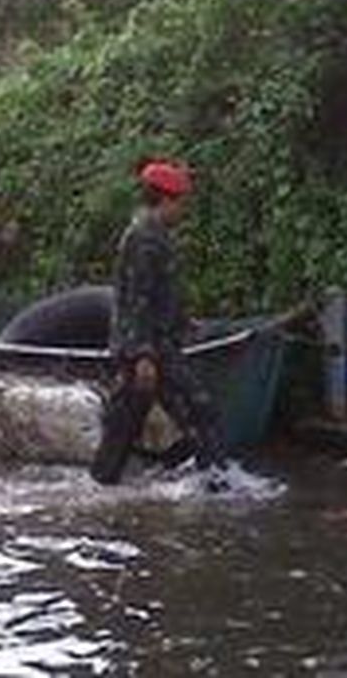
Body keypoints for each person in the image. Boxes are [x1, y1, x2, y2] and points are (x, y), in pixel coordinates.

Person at [91, 158, 226, 486]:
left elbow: (159, 294)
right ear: (165, 199)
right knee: (198, 408)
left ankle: (104, 482)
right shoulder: (144, 238)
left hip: (152, 343)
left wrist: (182, 320)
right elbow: (138, 299)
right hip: (148, 348)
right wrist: (144, 355)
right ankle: (217, 481)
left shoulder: (155, 234)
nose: (184, 210)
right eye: (181, 203)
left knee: (127, 419)